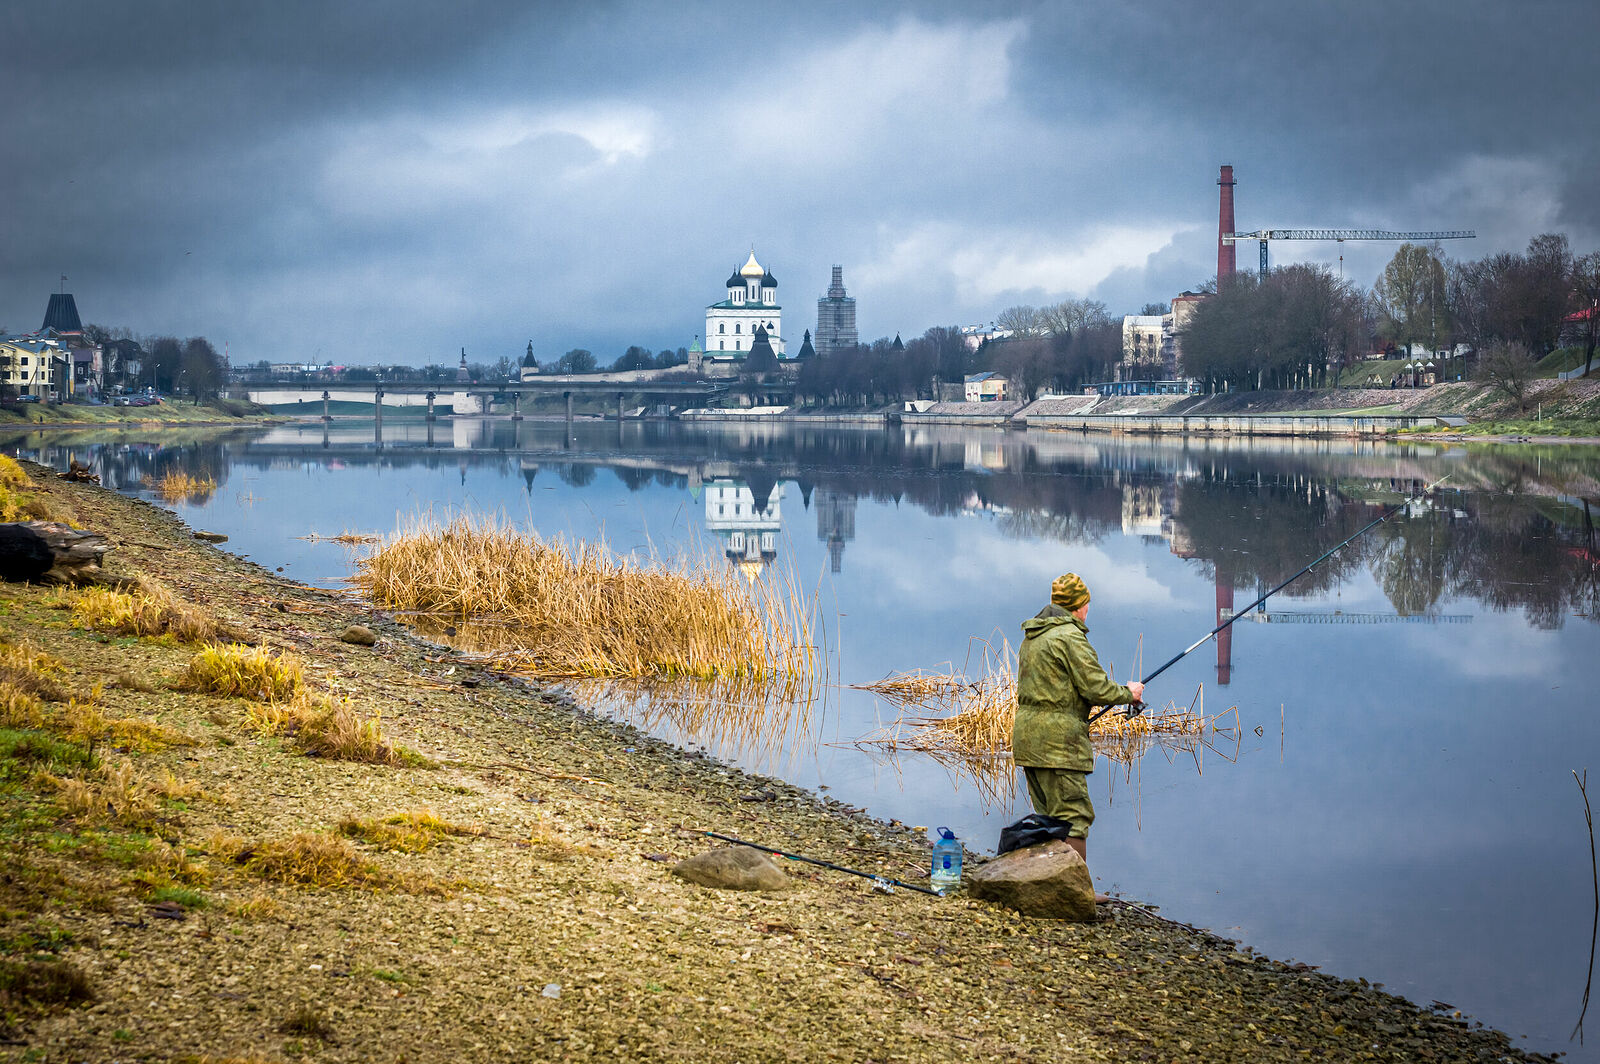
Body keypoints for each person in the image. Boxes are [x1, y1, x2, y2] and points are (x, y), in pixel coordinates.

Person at [1011, 572, 1143, 864]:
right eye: (1086, 603)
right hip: (1058, 744)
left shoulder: (1033, 637)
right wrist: (1128, 693)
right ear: (1078, 606)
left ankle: (1050, 880)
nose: (1087, 609)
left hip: (1028, 739)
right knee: (1073, 818)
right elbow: (1095, 687)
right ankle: (1076, 885)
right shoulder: (1070, 637)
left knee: (1049, 819)